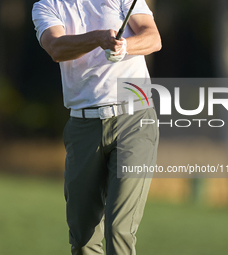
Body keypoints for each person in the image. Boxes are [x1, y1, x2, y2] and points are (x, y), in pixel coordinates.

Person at [32, 0, 161, 254]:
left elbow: (152, 38)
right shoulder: (46, 5)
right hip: (83, 126)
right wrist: (99, 38)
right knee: (82, 239)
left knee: (119, 230)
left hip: (134, 120)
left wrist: (124, 46)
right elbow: (56, 48)